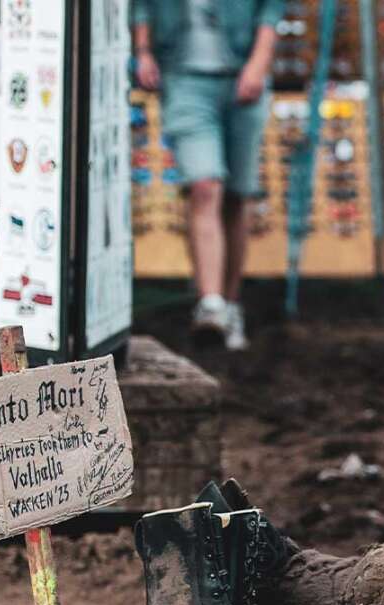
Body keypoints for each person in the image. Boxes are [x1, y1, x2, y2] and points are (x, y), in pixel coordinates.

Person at [133, 0, 280, 350]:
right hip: (182, 76)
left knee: (237, 196)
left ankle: (230, 304)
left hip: (243, 72)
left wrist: (259, 64)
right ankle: (211, 304)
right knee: (203, 185)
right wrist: (142, 50)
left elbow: (271, 9)